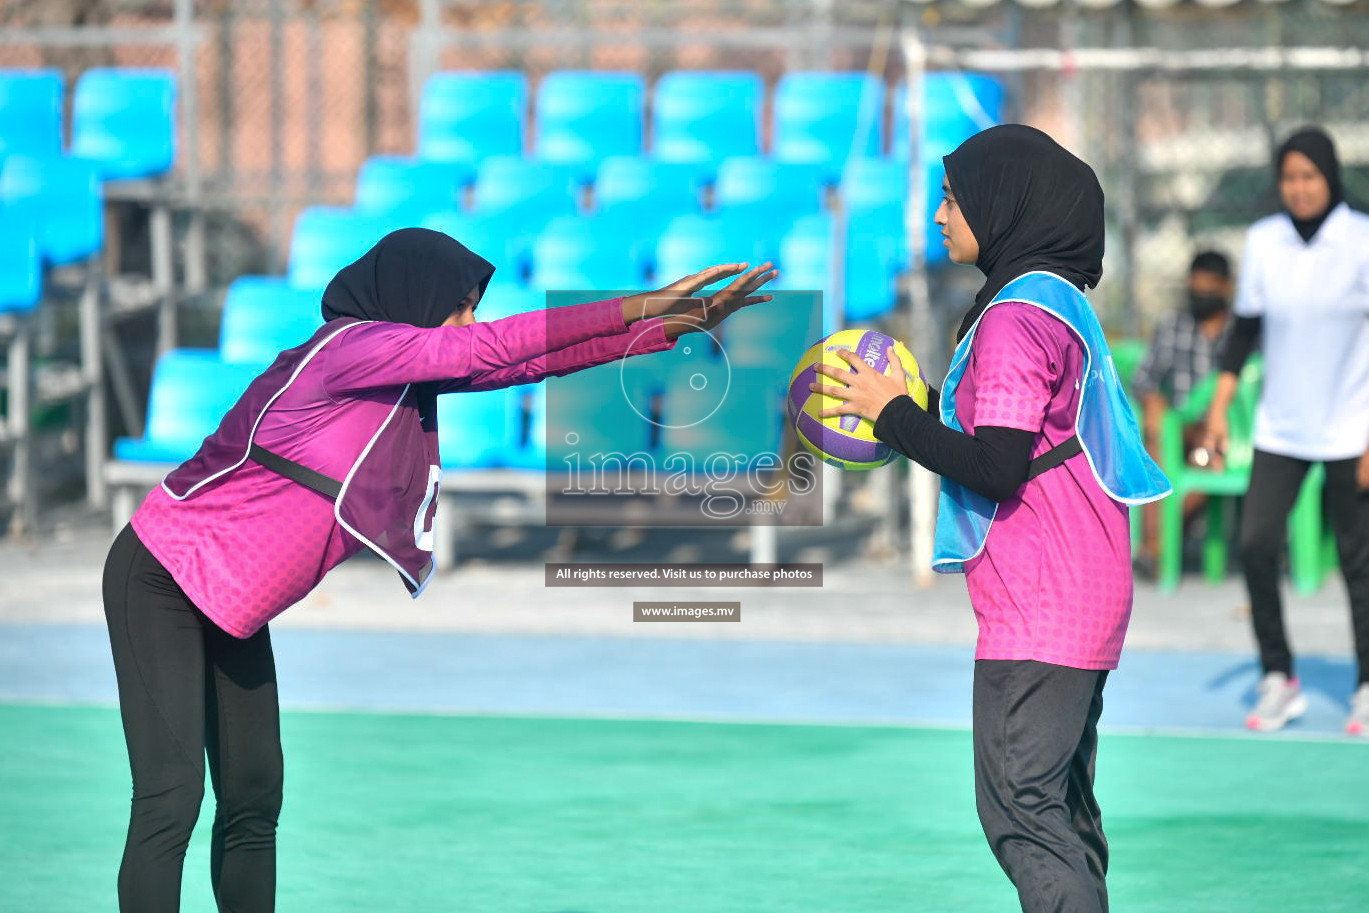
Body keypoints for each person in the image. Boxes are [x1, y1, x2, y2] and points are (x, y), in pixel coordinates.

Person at [101, 226, 777, 912]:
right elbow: (492, 346)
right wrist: (635, 304)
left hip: (232, 600)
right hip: (162, 576)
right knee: (170, 797)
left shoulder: (394, 370)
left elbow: (524, 365)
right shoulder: (349, 349)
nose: (471, 321)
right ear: (415, 299)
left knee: (252, 796)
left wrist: (671, 327)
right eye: (460, 304)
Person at [810, 124, 1169, 913]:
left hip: (1040, 607)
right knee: (1062, 811)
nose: (940, 214)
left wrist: (894, 414)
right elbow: (1010, 437)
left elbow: (998, 466)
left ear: (1004, 202)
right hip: (1079, 596)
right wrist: (915, 412)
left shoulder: (1013, 316)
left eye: (952, 195)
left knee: (1020, 809)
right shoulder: (1054, 300)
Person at [1201, 126, 1369, 735]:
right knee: (1255, 543)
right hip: (1281, 427)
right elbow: (1243, 333)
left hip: (1353, 428)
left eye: (1310, 177)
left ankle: (1368, 685)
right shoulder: (1265, 241)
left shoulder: (1361, 240)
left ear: (1330, 178)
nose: (1300, 189)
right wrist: (1219, 410)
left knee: (1359, 561)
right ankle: (1278, 676)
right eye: (1290, 178)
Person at [1131, 250, 1235, 572]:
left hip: (1224, 434)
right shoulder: (1174, 325)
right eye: (1196, 286)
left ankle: (1156, 546)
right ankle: (1157, 545)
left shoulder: (1240, 333)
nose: (1200, 294)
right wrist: (1153, 403)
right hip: (1179, 429)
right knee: (1158, 438)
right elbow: (1144, 380)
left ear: (1227, 288)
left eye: (1209, 287)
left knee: (1206, 463)